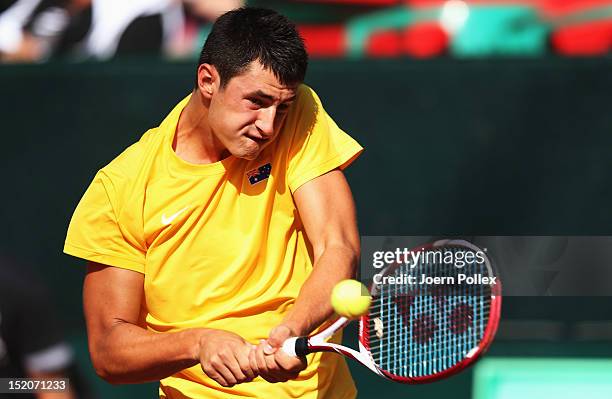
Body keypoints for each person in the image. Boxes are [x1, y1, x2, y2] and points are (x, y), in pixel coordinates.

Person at [64, 7, 362, 399]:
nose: (269, 126)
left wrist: (292, 330)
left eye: (282, 107)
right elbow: (108, 349)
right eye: (255, 101)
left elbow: (337, 246)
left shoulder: (299, 111)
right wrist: (199, 343)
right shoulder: (119, 189)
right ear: (207, 80)